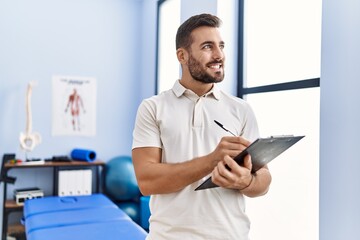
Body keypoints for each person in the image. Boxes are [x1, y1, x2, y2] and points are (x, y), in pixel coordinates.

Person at [132, 13, 272, 240]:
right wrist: (211, 161)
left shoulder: (241, 109)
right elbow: (146, 181)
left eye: (221, 46)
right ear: (182, 56)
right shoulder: (153, 108)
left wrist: (245, 181)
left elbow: (263, 180)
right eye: (208, 47)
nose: (219, 55)